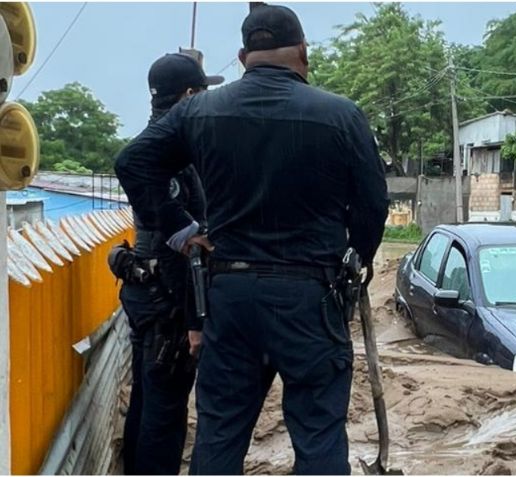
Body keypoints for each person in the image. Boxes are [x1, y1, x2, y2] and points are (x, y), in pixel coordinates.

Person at [114, 4, 389, 475]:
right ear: (303, 52)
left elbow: (133, 163)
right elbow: (373, 207)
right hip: (313, 297)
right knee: (319, 435)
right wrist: (353, 263)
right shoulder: (342, 116)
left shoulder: (200, 110)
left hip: (231, 297)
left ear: (242, 56)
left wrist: (182, 230)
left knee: (220, 436)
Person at [115, 52, 222, 475]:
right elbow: (184, 251)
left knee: (147, 400)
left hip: (146, 295)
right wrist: (196, 321)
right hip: (168, 302)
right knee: (165, 413)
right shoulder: (168, 155)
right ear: (189, 96)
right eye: (203, 94)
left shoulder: (156, 145)